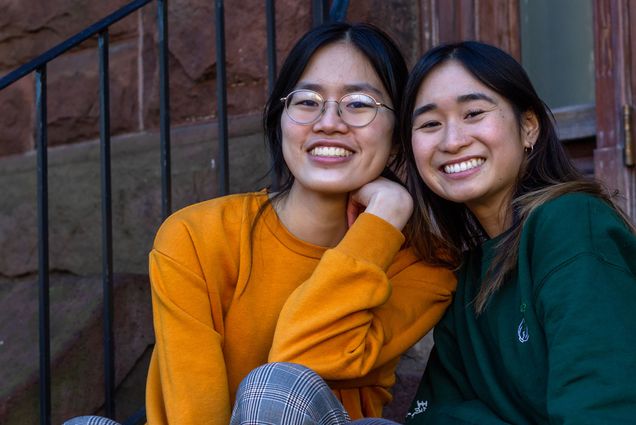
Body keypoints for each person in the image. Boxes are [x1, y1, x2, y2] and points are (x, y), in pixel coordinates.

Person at [142, 22, 455, 425]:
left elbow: (302, 354)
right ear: (281, 119)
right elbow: (192, 411)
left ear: (398, 137)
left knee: (274, 388)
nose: (329, 122)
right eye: (307, 101)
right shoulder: (194, 235)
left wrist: (382, 223)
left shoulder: (425, 266)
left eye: (359, 103)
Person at [398, 40, 636, 424]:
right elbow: (432, 415)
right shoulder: (465, 275)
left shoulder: (571, 223)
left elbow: (603, 409)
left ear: (528, 127)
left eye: (473, 113)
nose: (452, 140)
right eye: (429, 124)